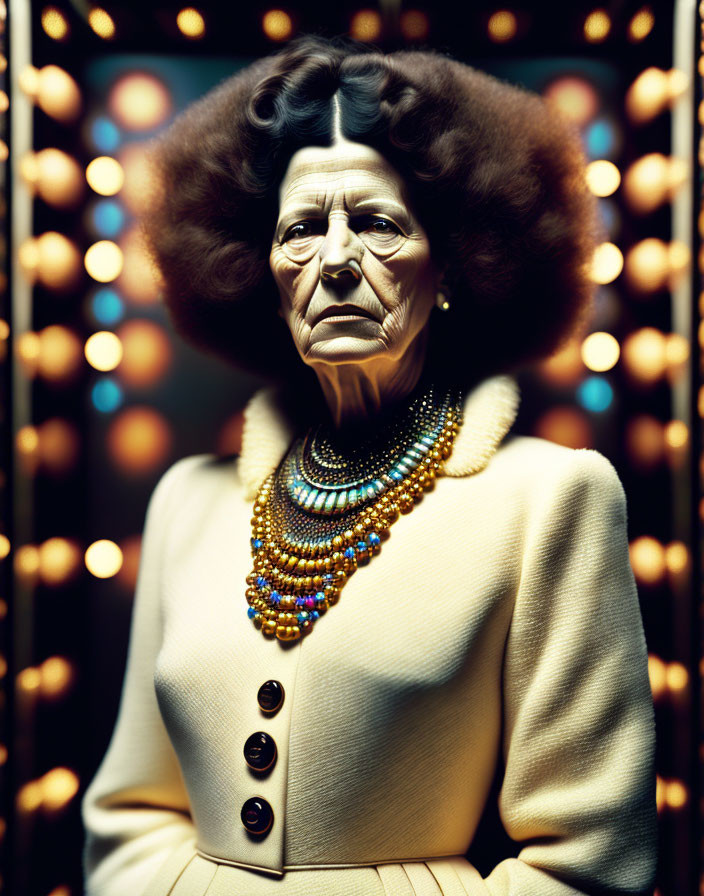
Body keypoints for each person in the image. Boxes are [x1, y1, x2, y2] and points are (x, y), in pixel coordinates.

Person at [81, 36, 658, 896]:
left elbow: (591, 864)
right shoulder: (185, 506)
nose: (338, 260)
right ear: (260, 272)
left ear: (454, 263)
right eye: (303, 229)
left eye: (380, 224)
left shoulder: (549, 501)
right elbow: (128, 818)